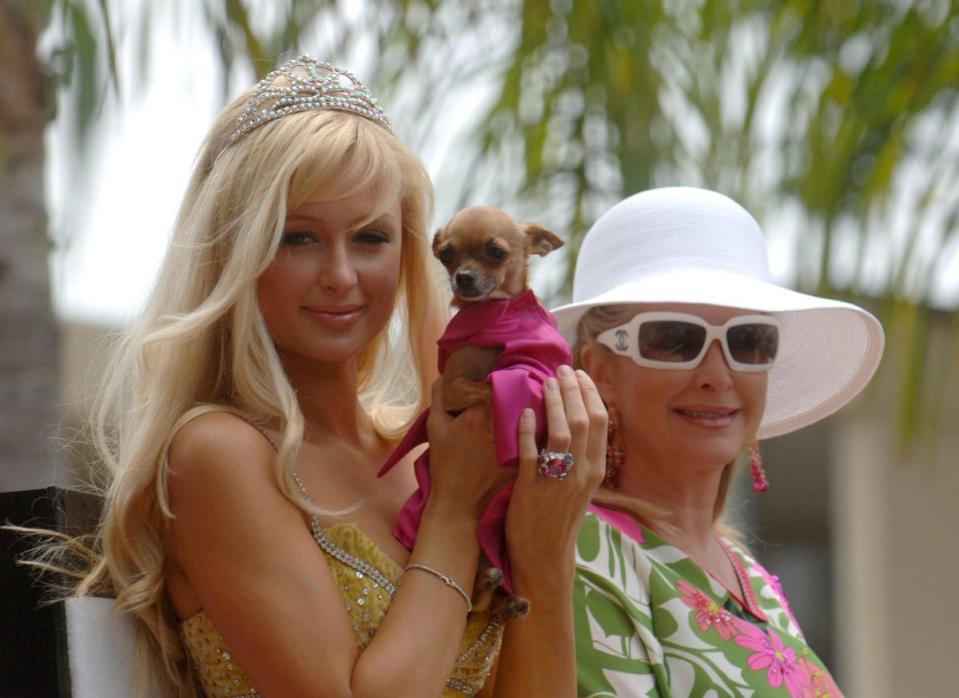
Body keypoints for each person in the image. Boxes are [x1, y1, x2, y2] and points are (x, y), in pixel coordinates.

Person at [50, 56, 606, 697]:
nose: (341, 275)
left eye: (371, 237)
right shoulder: (220, 453)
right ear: (236, 252)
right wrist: (454, 509)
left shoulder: (426, 449)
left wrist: (545, 546)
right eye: (297, 238)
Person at [550, 186, 884, 697]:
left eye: (748, 341)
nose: (716, 375)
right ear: (599, 369)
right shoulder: (582, 555)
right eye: (673, 339)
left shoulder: (746, 572)